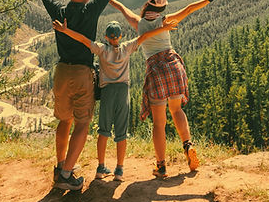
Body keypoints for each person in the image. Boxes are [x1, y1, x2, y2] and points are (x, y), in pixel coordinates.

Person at [12, 0, 139, 191]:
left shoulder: (60, 12)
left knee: (64, 120)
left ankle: (61, 165)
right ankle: (67, 174)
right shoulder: (90, 11)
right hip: (82, 73)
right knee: (82, 123)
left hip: (61, 72)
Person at [109, 0, 219, 178]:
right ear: (163, 7)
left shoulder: (138, 23)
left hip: (155, 69)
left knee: (159, 123)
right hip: (173, 65)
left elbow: (121, 8)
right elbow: (189, 9)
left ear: (148, 4)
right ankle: (188, 145)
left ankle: (161, 166)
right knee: (177, 110)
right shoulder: (165, 20)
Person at [51, 18, 178, 181]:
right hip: (123, 92)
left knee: (103, 131)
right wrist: (164, 28)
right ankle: (119, 170)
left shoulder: (102, 49)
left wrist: (65, 31)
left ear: (106, 37)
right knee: (121, 133)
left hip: (107, 92)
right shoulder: (127, 47)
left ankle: (101, 167)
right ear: (121, 36)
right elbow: (145, 36)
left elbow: (82, 39)